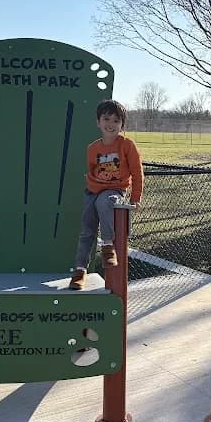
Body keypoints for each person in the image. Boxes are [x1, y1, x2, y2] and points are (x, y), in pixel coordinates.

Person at [69, 99, 143, 290]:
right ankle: (79, 271)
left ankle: (108, 245)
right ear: (98, 122)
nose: (111, 124)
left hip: (115, 189)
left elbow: (137, 171)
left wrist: (136, 197)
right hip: (93, 190)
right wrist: (91, 181)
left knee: (106, 202)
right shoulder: (93, 148)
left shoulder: (127, 145)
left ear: (122, 125)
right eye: (107, 119)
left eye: (116, 121)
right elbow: (94, 170)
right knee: (87, 230)